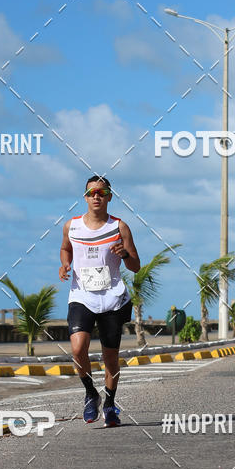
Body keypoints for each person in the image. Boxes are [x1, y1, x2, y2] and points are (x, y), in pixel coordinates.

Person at [59, 176, 140, 427]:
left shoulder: (120, 227)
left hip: (112, 298)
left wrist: (125, 254)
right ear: (85, 196)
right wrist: (64, 265)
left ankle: (110, 404)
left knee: (110, 357)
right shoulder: (71, 226)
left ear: (109, 196)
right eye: (92, 192)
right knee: (77, 348)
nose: (97, 196)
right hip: (81, 296)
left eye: (102, 192)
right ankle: (90, 393)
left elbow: (136, 266)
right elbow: (66, 248)